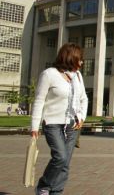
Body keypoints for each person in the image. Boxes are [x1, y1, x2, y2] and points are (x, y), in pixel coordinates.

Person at [31, 43, 88, 195]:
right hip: (52, 123)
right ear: (70, 58)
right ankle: (43, 185)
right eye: (79, 59)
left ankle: (56, 191)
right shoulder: (49, 74)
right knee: (60, 157)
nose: (81, 63)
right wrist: (34, 127)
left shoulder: (78, 76)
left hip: (73, 124)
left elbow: (84, 99)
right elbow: (39, 100)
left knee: (65, 162)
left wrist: (81, 117)